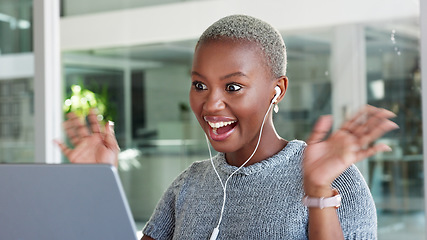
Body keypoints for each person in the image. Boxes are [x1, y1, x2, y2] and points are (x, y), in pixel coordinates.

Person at [56, 15, 398, 240]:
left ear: (276, 90)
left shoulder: (337, 179)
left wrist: (318, 191)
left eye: (232, 87)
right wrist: (99, 185)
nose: (210, 104)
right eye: (200, 85)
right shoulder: (189, 184)